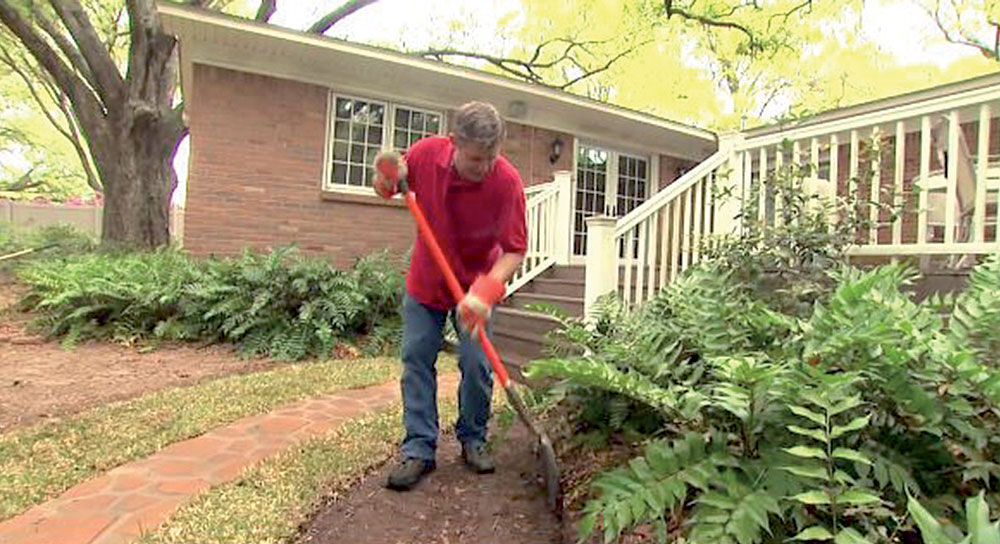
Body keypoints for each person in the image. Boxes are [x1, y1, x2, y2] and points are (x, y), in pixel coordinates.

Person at [371, 101, 527, 491]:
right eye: (476, 158)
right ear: (454, 141)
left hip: (476, 287)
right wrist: (386, 175)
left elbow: (514, 249)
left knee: (477, 366)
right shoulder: (425, 155)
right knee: (417, 360)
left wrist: (486, 291)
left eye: (492, 156)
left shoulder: (506, 182)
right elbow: (388, 188)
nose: (484, 166)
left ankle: (473, 439)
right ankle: (419, 448)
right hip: (427, 281)